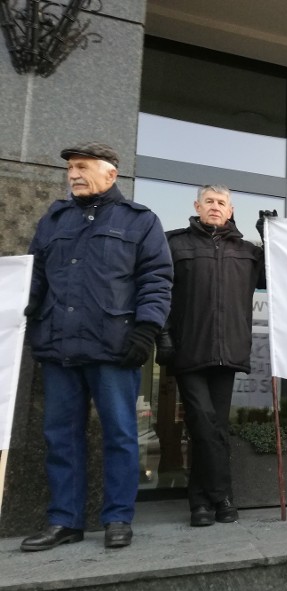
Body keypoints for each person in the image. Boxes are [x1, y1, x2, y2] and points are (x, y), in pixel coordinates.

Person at [22, 142, 173, 551]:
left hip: (114, 346)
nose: (73, 173)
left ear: (110, 174)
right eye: (70, 167)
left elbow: (156, 280)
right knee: (60, 436)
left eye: (82, 166)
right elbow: (33, 277)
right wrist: (21, 306)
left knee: (122, 434)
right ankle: (64, 520)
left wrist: (146, 331)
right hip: (58, 346)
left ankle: (118, 517)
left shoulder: (139, 221)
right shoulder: (54, 219)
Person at [160, 185, 266, 527]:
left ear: (231, 209)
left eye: (222, 203)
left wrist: (273, 239)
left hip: (228, 352)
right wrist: (162, 336)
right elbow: (159, 291)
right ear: (197, 206)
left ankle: (202, 504)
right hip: (188, 350)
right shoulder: (174, 244)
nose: (215, 207)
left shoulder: (248, 251)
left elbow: (282, 275)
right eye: (210, 202)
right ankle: (221, 496)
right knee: (203, 423)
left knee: (215, 427)